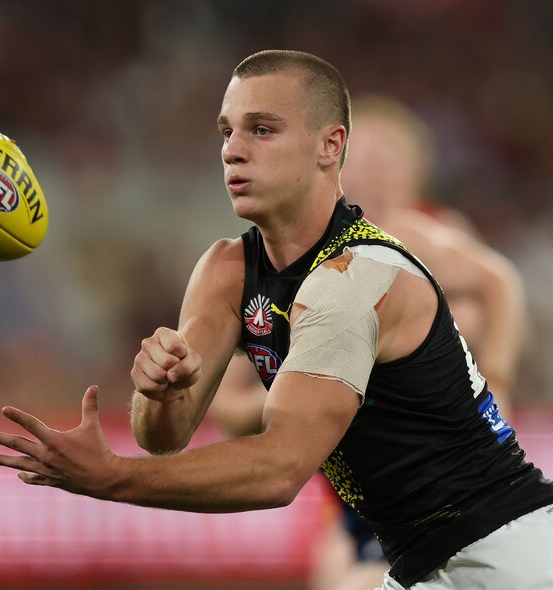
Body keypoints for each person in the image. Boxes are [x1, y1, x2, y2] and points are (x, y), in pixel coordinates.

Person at [0, 50, 553, 589]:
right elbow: (162, 436)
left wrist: (111, 476)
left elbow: (279, 470)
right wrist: (159, 391)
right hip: (427, 561)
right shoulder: (227, 271)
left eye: (262, 130)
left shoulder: (357, 275)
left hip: (513, 555)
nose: (232, 149)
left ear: (330, 146)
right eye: (227, 131)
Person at [206, 94, 531, 590]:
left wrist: (498, 380)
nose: (376, 176)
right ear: (329, 162)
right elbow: (231, 410)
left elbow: (500, 286)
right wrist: (318, 380)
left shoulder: (420, 238)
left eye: (389, 161)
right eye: (366, 160)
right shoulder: (278, 263)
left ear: (416, 174)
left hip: (436, 472)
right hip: (354, 485)